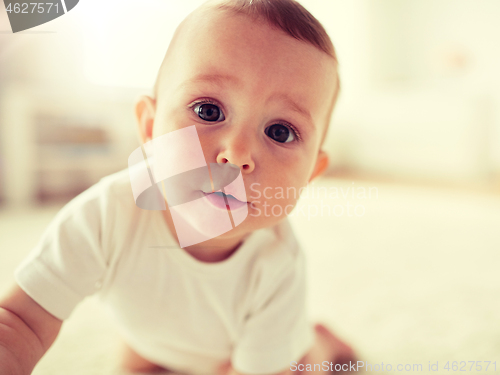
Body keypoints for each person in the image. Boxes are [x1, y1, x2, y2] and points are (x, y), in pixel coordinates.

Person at [0, 0, 356, 374]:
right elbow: (20, 320)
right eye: (208, 111)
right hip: (149, 344)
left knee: (304, 364)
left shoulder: (277, 263)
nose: (236, 155)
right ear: (151, 129)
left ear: (311, 176)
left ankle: (321, 344)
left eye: (280, 132)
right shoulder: (106, 215)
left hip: (248, 359)